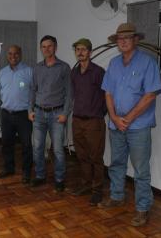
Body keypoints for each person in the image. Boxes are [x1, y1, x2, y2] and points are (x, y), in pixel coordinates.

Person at [99, 23, 161, 227]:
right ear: (116, 42)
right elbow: (107, 92)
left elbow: (150, 94)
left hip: (139, 127)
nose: (123, 41)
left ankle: (143, 208)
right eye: (120, 38)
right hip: (116, 125)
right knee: (116, 164)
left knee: (141, 170)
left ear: (136, 40)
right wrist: (114, 117)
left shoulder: (148, 63)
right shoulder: (114, 63)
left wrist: (129, 118)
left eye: (128, 37)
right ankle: (117, 196)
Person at [28, 35, 72, 191]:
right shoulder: (37, 68)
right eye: (43, 47)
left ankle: (59, 179)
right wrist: (30, 110)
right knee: (38, 147)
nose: (46, 49)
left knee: (58, 149)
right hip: (38, 114)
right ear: (41, 49)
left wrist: (65, 113)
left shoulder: (64, 68)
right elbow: (32, 89)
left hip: (57, 114)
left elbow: (69, 93)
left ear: (55, 47)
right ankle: (40, 175)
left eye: (49, 46)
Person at [70, 38, 106, 206]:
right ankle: (85, 185)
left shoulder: (98, 72)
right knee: (82, 156)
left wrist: (99, 113)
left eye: (83, 49)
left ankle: (97, 190)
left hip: (93, 122)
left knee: (96, 158)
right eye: (77, 49)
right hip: (77, 120)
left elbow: (107, 96)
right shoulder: (74, 72)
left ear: (90, 52)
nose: (80, 52)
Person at [0, 45, 33, 184]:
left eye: (16, 54)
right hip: (6, 114)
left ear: (21, 54)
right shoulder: (2, 72)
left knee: (26, 145)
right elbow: (0, 92)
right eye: (10, 54)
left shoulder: (29, 71)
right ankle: (9, 168)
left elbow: (33, 93)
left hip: (24, 115)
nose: (13, 56)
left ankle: (26, 171)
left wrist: (30, 110)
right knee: (6, 144)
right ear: (7, 55)